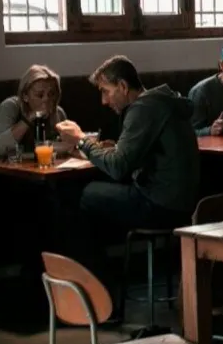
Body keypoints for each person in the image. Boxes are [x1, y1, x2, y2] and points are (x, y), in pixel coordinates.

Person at [56, 55, 200, 232]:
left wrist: (82, 139)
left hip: (160, 205)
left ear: (123, 87)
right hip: (183, 204)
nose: (103, 101)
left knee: (82, 193)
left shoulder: (143, 108)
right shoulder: (161, 102)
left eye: (105, 91)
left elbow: (118, 167)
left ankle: (89, 260)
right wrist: (113, 148)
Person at [0, 64, 67, 157]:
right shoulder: (10, 106)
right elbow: (0, 148)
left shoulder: (58, 112)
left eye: (51, 94)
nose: (46, 99)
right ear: (25, 96)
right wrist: (29, 118)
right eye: (40, 95)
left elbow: (66, 146)